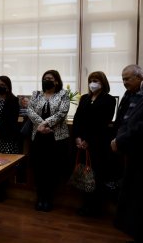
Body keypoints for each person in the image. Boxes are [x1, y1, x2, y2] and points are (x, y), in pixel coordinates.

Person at [72, 71, 116, 216]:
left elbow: (102, 123)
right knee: (85, 176)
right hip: (81, 143)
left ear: (103, 82)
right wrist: (78, 137)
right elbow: (77, 118)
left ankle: (95, 208)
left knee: (97, 176)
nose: (93, 83)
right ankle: (85, 205)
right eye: (91, 80)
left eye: (96, 80)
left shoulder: (109, 100)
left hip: (98, 144)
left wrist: (88, 140)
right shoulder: (84, 98)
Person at [27, 70, 70, 212]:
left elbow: (62, 113)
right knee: (39, 169)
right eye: (45, 78)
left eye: (50, 78)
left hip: (56, 138)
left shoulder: (63, 94)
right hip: (38, 137)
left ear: (56, 81)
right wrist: (41, 126)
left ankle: (48, 199)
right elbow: (30, 110)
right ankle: (40, 199)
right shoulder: (36, 94)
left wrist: (45, 124)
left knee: (52, 170)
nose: (47, 80)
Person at [110, 64, 143, 243]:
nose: (124, 82)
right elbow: (123, 119)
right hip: (126, 147)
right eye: (122, 79)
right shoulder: (128, 94)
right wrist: (117, 139)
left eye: (127, 78)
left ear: (139, 77)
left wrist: (119, 141)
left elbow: (137, 126)